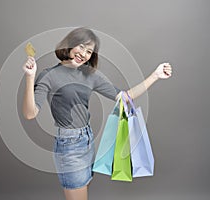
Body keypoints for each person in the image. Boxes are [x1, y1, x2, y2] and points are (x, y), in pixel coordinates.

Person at [22, 27, 172, 200]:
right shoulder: (49, 75)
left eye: (89, 51)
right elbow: (29, 113)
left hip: (87, 140)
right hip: (69, 146)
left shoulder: (90, 75)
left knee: (83, 190)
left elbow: (125, 97)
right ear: (69, 45)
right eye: (80, 47)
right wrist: (30, 77)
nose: (83, 54)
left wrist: (155, 75)